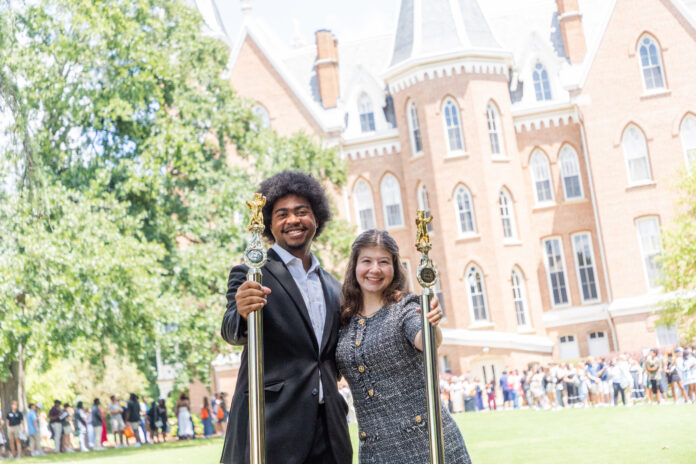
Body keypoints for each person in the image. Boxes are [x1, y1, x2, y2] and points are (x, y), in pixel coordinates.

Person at [220, 171, 353, 464]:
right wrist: (242, 313)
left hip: (329, 434)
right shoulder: (250, 274)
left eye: (301, 212)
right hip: (272, 430)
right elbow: (231, 331)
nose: (293, 220)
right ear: (270, 224)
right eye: (282, 214)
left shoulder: (333, 287)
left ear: (316, 218)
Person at [336, 229, 471, 463]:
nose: (374, 269)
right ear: (355, 266)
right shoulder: (344, 319)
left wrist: (431, 325)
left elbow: (424, 339)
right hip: (375, 451)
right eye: (366, 261)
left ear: (394, 268)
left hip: (425, 445)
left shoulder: (405, 308)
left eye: (383, 262)